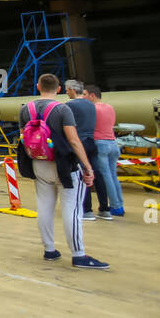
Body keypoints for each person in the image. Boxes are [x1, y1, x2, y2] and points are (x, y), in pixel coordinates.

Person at [18, 73, 109, 269]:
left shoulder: (26, 109)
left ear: (38, 86)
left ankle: (49, 249)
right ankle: (79, 254)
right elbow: (74, 141)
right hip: (63, 165)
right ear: (59, 89)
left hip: (38, 163)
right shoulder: (62, 109)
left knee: (44, 208)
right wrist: (87, 167)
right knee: (72, 209)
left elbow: (24, 137)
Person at [65, 79, 107, 221]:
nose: (66, 92)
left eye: (66, 89)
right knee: (97, 174)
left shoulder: (69, 106)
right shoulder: (91, 104)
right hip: (91, 141)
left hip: (80, 143)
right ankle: (104, 209)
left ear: (71, 90)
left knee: (83, 175)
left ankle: (87, 210)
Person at [86, 85, 125, 217]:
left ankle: (115, 206)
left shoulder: (93, 109)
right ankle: (120, 204)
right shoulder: (109, 107)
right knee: (113, 176)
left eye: (85, 94)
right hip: (113, 144)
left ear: (92, 95)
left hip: (101, 144)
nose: (84, 97)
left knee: (106, 177)